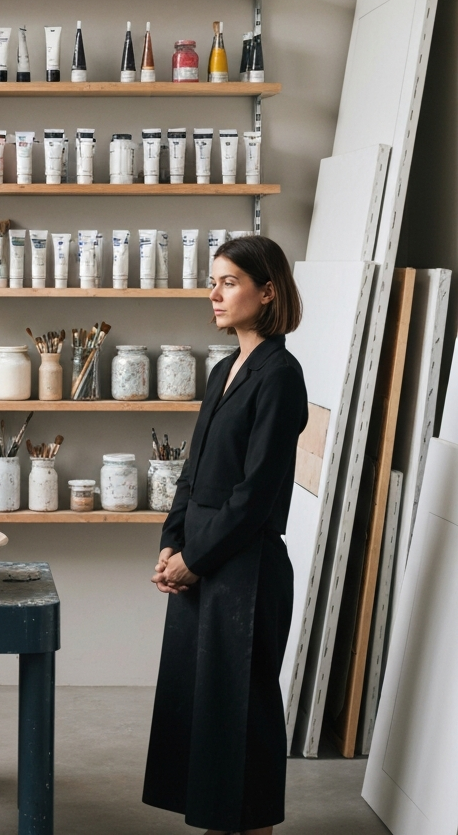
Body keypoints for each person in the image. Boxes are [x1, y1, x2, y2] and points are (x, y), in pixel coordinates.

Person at [142, 235, 307, 835]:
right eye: (212, 280)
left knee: (243, 710)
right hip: (201, 559)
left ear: (267, 292)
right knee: (205, 707)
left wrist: (194, 559)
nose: (214, 293)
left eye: (229, 281)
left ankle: (251, 828)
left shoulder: (280, 374)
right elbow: (192, 468)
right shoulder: (222, 368)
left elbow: (256, 494)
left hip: (246, 568)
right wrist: (171, 541)